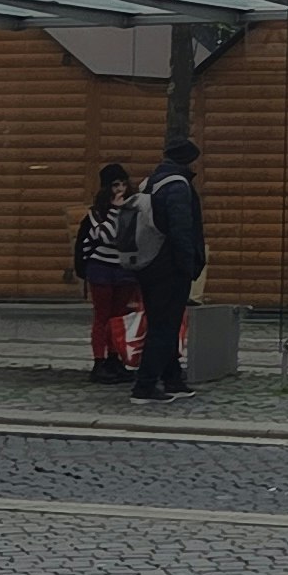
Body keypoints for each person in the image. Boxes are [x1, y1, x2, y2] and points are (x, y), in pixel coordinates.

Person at [133, 138, 205, 404]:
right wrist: (188, 266)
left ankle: (173, 379)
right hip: (169, 267)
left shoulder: (152, 182)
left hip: (148, 263)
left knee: (164, 323)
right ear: (188, 159)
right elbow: (181, 231)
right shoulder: (177, 186)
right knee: (164, 326)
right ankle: (145, 385)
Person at [73, 160, 141, 382]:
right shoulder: (96, 214)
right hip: (101, 268)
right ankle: (99, 361)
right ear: (106, 189)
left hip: (124, 270)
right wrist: (116, 210)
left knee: (118, 317)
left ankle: (115, 358)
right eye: (114, 185)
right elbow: (108, 236)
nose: (120, 190)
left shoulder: (134, 210)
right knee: (102, 316)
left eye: (122, 184)